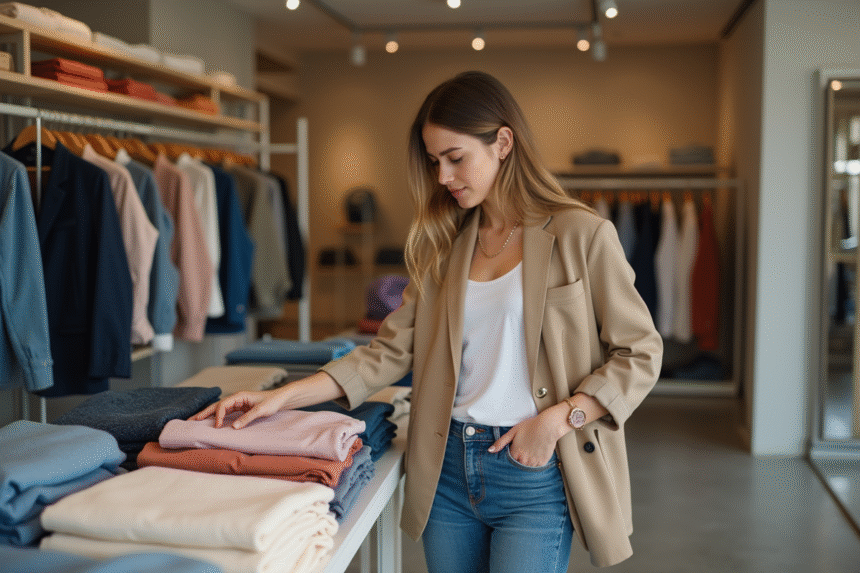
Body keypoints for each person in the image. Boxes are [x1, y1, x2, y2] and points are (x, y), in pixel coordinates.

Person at [192, 70, 663, 572]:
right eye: (434, 161)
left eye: (455, 159)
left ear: (503, 143)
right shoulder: (444, 247)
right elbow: (387, 354)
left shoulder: (582, 234)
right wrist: (277, 399)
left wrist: (558, 420)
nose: (442, 177)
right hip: (448, 472)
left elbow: (640, 352)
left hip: (533, 472)